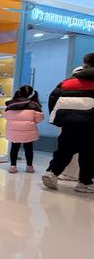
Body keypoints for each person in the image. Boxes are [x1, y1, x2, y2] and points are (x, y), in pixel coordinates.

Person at [42, 53, 94, 193]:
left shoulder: (67, 82)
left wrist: (59, 119)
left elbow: (53, 98)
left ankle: (52, 172)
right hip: (91, 125)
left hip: (69, 123)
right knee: (89, 154)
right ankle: (84, 182)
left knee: (64, 150)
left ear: (85, 64)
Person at [4, 85, 44, 173]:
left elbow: (6, 116)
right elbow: (40, 118)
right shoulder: (34, 105)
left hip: (14, 130)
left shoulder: (11, 104)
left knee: (14, 147)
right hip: (28, 130)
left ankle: (13, 166)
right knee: (28, 148)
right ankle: (29, 167)